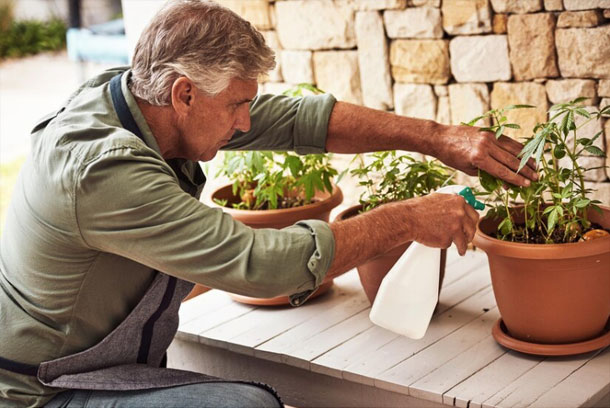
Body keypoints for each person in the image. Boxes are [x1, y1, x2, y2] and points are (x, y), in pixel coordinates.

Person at [0, 1, 537, 407]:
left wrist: (438, 137)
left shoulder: (141, 101)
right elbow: (265, 267)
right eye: (237, 104)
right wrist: (408, 218)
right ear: (184, 94)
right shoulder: (102, 168)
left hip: (100, 360)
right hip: (45, 390)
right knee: (248, 405)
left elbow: (298, 120)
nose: (245, 124)